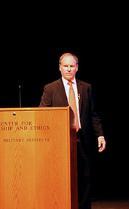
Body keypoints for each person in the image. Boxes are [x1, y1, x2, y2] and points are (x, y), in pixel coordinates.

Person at [39, 52, 106, 209]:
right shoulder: (50, 89)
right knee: (61, 178)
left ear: (77, 68)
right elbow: (42, 114)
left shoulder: (86, 87)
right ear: (60, 68)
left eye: (71, 66)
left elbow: (93, 114)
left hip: (83, 139)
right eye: (65, 66)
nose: (68, 69)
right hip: (59, 141)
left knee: (85, 177)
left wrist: (100, 135)